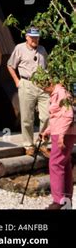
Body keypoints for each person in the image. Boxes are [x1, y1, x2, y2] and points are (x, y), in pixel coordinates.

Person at [7, 28, 50, 157]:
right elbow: (10, 65)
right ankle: (28, 145)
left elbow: (47, 67)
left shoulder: (42, 50)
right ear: (26, 37)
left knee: (47, 115)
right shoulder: (19, 48)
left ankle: (42, 144)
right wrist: (17, 81)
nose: (35, 40)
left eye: (37, 37)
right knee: (27, 118)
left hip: (43, 85)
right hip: (27, 84)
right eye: (32, 37)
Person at [41, 81, 76, 209]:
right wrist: (47, 130)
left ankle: (58, 202)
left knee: (55, 164)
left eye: (42, 86)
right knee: (64, 164)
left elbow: (68, 115)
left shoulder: (61, 91)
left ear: (49, 82)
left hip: (64, 133)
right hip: (61, 132)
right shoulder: (57, 92)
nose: (42, 90)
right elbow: (57, 115)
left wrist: (61, 135)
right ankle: (66, 201)